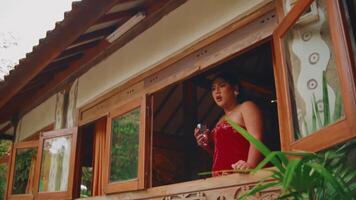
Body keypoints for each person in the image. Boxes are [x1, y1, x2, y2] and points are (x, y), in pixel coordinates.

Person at [194, 72, 263, 176]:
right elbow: (221, 153)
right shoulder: (220, 120)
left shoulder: (246, 107)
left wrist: (250, 165)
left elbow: (256, 138)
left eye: (222, 86)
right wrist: (206, 144)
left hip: (242, 173)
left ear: (235, 89)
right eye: (213, 88)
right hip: (220, 177)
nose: (217, 91)